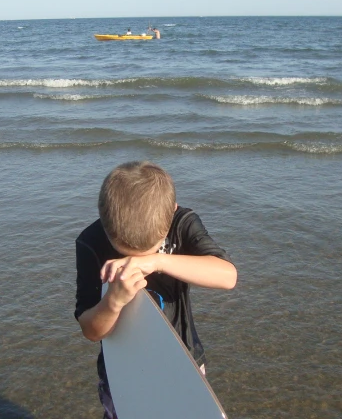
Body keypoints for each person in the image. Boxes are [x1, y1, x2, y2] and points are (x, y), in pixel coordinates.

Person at [74, 161, 237, 419]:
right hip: (122, 372)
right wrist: (113, 301)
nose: (137, 264)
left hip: (183, 360)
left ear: (172, 212)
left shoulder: (182, 223)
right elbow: (91, 331)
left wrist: (158, 261)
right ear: (105, 224)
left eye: (146, 252)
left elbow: (228, 276)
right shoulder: (91, 243)